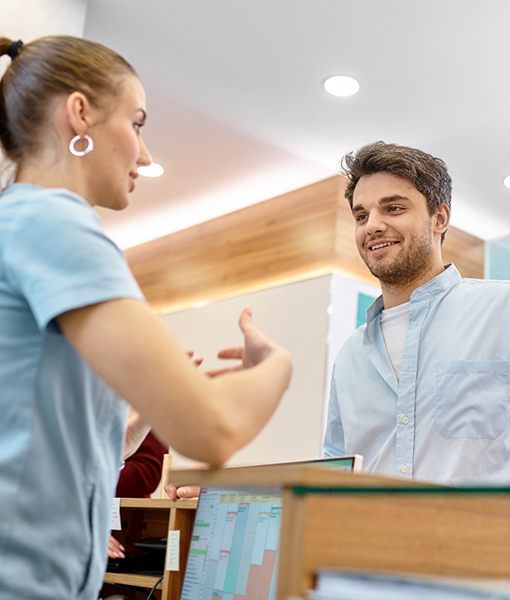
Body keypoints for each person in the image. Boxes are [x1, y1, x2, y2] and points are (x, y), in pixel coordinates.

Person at [0, 35, 292, 600]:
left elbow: (30, 439)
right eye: (137, 124)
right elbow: (213, 430)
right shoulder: (54, 223)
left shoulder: (19, 221)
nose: (146, 153)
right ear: (79, 113)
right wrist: (276, 365)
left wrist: (124, 433)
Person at [323, 141, 510, 485]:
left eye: (393, 208)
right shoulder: (350, 356)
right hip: (372, 538)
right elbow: (331, 478)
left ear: (439, 217)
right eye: (361, 215)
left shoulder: (502, 310)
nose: (372, 226)